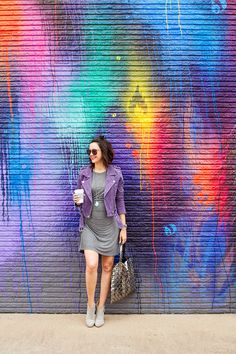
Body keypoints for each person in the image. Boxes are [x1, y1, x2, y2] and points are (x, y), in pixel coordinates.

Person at [73, 135, 127, 328]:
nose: (91, 154)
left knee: (107, 267)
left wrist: (124, 227)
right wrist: (77, 202)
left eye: (94, 151)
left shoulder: (116, 174)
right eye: (89, 152)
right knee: (91, 264)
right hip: (89, 225)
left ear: (103, 151)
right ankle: (90, 305)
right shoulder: (84, 174)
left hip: (110, 227)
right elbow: (79, 199)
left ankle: (101, 307)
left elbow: (120, 202)